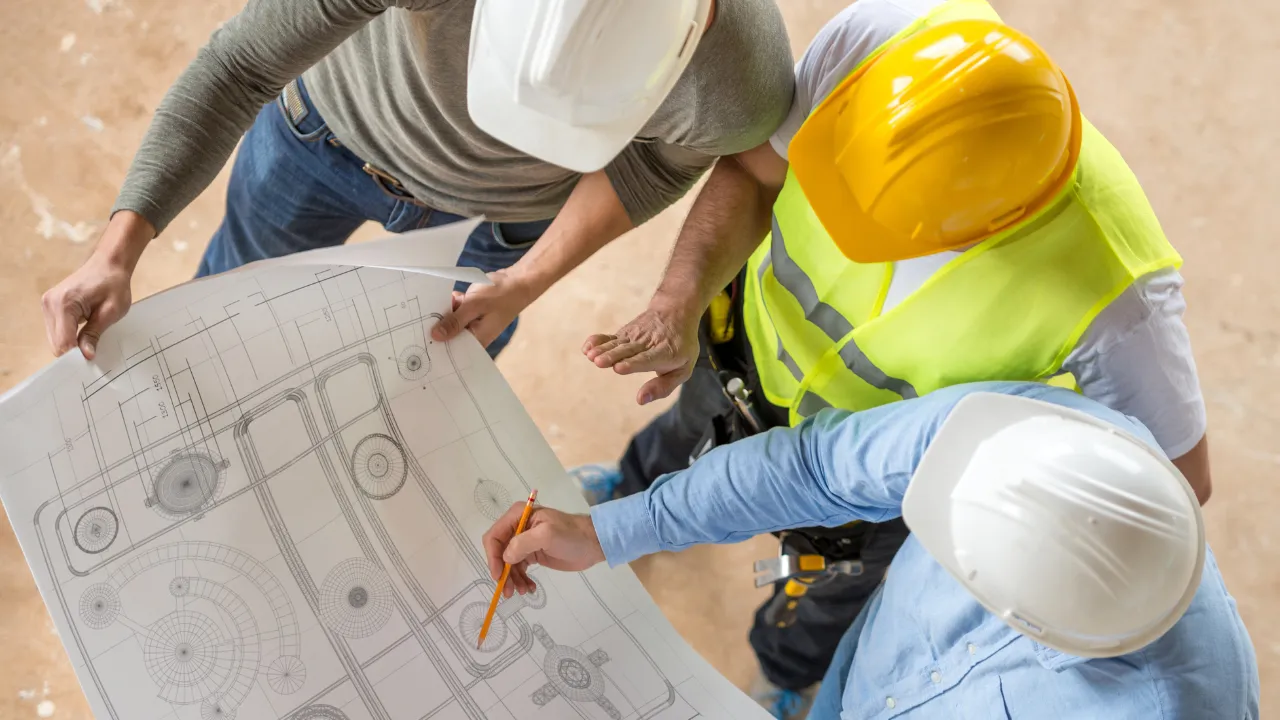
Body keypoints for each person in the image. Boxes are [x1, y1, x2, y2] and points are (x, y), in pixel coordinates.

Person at [576, 1, 1213, 712]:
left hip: (871, 493)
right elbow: (757, 175)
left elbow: (1174, 485)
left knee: (817, 590)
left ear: (990, 229)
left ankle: (783, 675)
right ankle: (629, 490)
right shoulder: (882, 43)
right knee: (680, 437)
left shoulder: (1120, 298)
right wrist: (679, 299)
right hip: (739, 357)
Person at [40, 0, 793, 360]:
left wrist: (529, 278)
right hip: (323, 138)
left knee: (427, 381)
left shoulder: (738, 81)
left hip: (501, 228)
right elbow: (240, 66)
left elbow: (658, 161)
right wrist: (118, 248)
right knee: (226, 312)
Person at [487, 382, 1259, 720]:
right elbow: (813, 468)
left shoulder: (1179, 707)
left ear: (1037, 626)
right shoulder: (1036, 435)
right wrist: (613, 529)